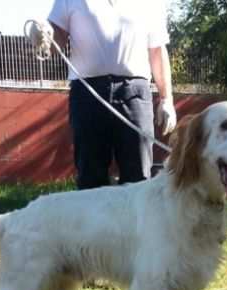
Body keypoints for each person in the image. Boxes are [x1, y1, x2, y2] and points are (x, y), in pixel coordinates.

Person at [46, 0, 176, 189]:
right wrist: (44, 36)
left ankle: (134, 219)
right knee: (90, 175)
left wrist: (167, 99)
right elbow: (55, 38)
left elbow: (157, 49)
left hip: (135, 93)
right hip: (87, 93)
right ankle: (91, 219)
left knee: (138, 176)